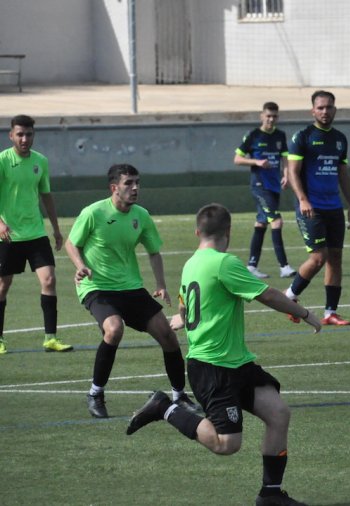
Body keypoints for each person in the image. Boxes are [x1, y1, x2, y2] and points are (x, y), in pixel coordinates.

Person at [126, 203, 320, 506]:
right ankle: (165, 408)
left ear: (197, 232)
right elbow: (267, 294)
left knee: (279, 413)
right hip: (212, 367)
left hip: (238, 363)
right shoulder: (224, 263)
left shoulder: (192, 263)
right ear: (228, 232)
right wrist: (304, 312)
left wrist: (182, 318)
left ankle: (271, 494)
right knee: (226, 444)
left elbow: (183, 304)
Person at [64, 164, 199, 418]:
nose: (135, 188)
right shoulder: (93, 212)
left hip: (131, 287)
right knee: (114, 329)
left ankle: (179, 396)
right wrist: (81, 266)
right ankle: (96, 393)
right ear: (114, 188)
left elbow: (154, 252)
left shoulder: (142, 215)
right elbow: (72, 243)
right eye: (128, 183)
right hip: (97, 286)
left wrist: (160, 284)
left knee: (168, 336)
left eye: (137, 182)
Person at [0, 115, 72, 354]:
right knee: (2, 286)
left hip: (36, 234)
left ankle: (50, 338)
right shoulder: (2, 161)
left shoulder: (41, 161)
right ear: (11, 136)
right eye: (19, 134)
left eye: (28, 134)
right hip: (8, 235)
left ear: (33, 135)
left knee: (49, 280)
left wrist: (56, 228)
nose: (24, 139)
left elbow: (46, 196)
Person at [285, 90, 350, 326]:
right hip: (311, 207)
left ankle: (330, 313)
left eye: (329, 107)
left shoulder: (340, 139)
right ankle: (289, 297)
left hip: (333, 206)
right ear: (312, 110)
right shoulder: (302, 137)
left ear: (335, 109)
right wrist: (303, 199)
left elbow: (343, 174)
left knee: (335, 258)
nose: (325, 111)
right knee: (318, 257)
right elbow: (293, 172)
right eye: (321, 107)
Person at [234, 101, 296, 280]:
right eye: (268, 116)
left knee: (261, 223)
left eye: (274, 116)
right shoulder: (253, 136)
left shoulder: (280, 136)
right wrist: (256, 162)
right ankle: (284, 266)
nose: (271, 119)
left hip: (274, 185)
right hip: (260, 186)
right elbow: (237, 159)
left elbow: (285, 159)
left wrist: (286, 175)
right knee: (277, 221)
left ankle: (252, 266)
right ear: (262, 116)